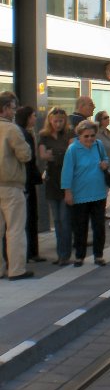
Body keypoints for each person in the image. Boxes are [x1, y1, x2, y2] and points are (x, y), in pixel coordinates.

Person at [61, 120, 109, 267]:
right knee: (80, 227)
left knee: (99, 226)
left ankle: (98, 255)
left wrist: (105, 164)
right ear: (79, 135)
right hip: (80, 194)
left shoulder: (98, 145)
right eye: (86, 136)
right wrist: (67, 192)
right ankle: (79, 256)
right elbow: (67, 171)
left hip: (99, 193)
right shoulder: (73, 149)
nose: (89, 139)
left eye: (92, 135)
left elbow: (106, 158)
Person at [0, 92, 33, 280]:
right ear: (4, 109)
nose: (14, 112)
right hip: (11, 185)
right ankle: (16, 269)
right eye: (12, 108)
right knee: (15, 229)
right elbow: (25, 155)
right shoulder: (11, 129)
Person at [39, 107, 73, 266]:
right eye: (55, 121)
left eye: (61, 121)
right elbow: (43, 155)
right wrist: (60, 154)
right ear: (50, 121)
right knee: (57, 221)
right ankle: (60, 254)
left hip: (66, 181)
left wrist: (55, 154)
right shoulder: (44, 136)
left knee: (65, 220)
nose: (58, 124)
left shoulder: (69, 134)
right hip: (52, 181)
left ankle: (65, 254)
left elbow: (71, 154)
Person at [15, 106, 45, 263]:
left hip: (25, 180)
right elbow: (28, 158)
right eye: (33, 116)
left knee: (29, 217)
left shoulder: (25, 132)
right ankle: (30, 253)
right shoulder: (23, 133)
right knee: (28, 217)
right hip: (25, 181)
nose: (35, 118)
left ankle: (31, 252)